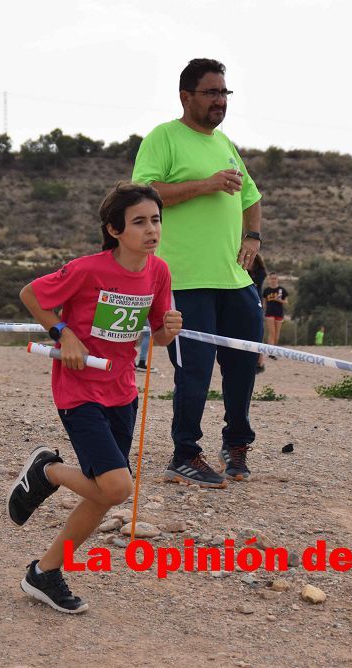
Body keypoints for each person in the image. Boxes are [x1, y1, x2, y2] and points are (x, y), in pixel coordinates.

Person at [8, 183, 182, 614]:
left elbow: (156, 334)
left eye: (155, 220)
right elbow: (31, 295)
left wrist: (169, 329)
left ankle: (44, 573)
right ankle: (47, 470)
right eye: (139, 221)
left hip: (122, 391)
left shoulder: (159, 272)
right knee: (117, 487)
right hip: (79, 389)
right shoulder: (88, 269)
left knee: (103, 494)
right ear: (114, 229)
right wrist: (62, 332)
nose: (151, 229)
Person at [132, 57, 263, 486]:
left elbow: (251, 196)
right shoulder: (164, 138)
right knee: (196, 371)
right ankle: (184, 455)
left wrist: (254, 239)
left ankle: (236, 443)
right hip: (185, 281)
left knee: (243, 365)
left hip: (235, 279)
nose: (219, 101)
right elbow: (144, 195)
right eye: (211, 92)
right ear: (186, 96)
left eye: (224, 93)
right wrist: (205, 184)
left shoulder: (225, 142)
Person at [262, 273, 289, 355]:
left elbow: (286, 302)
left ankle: (274, 350)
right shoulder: (266, 290)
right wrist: (263, 310)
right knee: (272, 333)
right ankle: (271, 352)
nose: (273, 280)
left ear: (277, 279)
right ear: (269, 280)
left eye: (275, 278)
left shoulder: (282, 290)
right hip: (269, 313)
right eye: (271, 278)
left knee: (277, 335)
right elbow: (264, 302)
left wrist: (279, 300)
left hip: (279, 313)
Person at [249, 255, 268, 374]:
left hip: (256, 304)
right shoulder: (242, 270)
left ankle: (260, 362)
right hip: (244, 304)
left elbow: (254, 285)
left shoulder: (260, 273)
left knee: (257, 333)